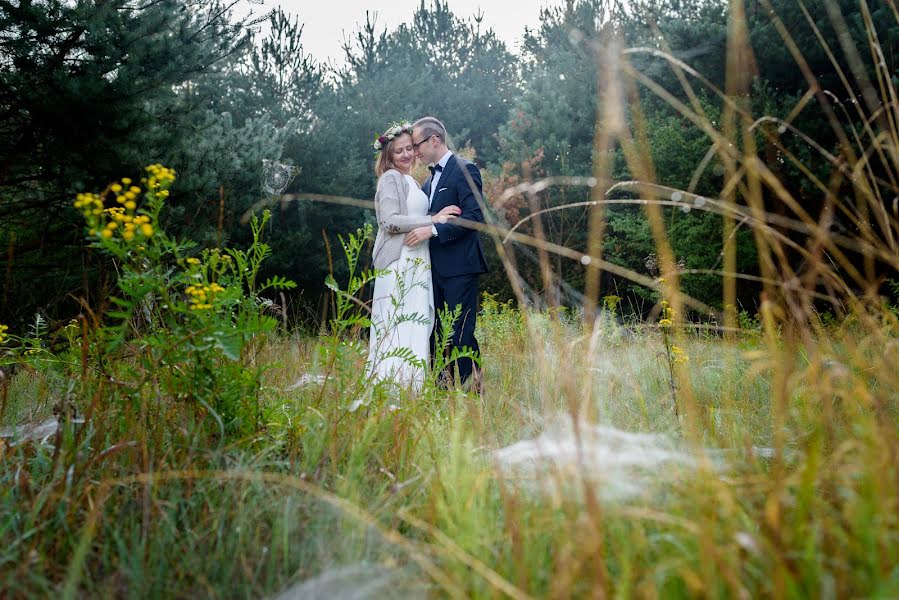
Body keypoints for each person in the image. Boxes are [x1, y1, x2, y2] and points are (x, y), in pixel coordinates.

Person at [367, 121, 461, 389]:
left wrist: (432, 220)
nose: (407, 154)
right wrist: (434, 219)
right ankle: (391, 390)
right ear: (388, 156)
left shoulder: (414, 182)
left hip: (418, 263)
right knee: (397, 325)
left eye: (410, 148)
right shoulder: (390, 178)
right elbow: (390, 221)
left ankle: (413, 389)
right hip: (399, 263)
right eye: (399, 151)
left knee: (417, 325)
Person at [405, 116, 488, 388]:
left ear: (434, 140)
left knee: (461, 333)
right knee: (437, 333)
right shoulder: (428, 182)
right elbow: (431, 216)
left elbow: (475, 216)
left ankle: (472, 394)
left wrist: (434, 230)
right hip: (433, 270)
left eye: (416, 145)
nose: (414, 152)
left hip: (460, 268)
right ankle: (442, 392)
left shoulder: (465, 169)